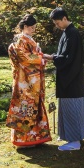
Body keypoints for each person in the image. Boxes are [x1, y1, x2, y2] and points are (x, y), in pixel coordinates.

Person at [6, 14, 52, 148]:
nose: (33, 30)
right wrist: (42, 58)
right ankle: (24, 140)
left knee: (33, 105)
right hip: (25, 80)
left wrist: (42, 57)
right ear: (25, 27)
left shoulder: (26, 39)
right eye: (32, 27)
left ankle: (36, 137)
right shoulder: (21, 40)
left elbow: (32, 56)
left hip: (30, 78)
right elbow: (24, 58)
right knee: (25, 106)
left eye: (34, 27)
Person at [49, 7, 84, 151]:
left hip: (71, 79)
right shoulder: (68, 32)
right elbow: (64, 54)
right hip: (72, 78)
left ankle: (74, 142)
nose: (57, 26)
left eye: (57, 23)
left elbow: (69, 58)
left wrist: (52, 57)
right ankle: (72, 136)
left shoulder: (72, 34)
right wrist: (55, 56)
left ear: (65, 19)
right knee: (71, 109)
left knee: (72, 109)